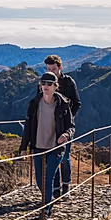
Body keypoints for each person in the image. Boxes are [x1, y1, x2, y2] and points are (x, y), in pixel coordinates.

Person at [19, 71, 75, 220]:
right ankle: (48, 202)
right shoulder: (34, 104)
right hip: (38, 146)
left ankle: (46, 210)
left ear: (55, 86)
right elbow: (28, 127)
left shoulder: (63, 104)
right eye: (43, 83)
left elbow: (71, 126)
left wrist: (66, 135)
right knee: (39, 180)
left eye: (49, 84)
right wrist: (23, 148)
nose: (45, 86)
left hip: (55, 148)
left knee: (49, 178)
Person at [44, 54, 81, 195]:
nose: (51, 72)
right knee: (52, 158)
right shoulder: (44, 82)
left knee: (64, 158)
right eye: (48, 69)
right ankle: (56, 190)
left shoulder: (68, 82)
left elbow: (77, 103)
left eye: (54, 69)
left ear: (60, 67)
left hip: (65, 128)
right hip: (49, 127)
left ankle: (66, 186)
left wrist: (67, 120)